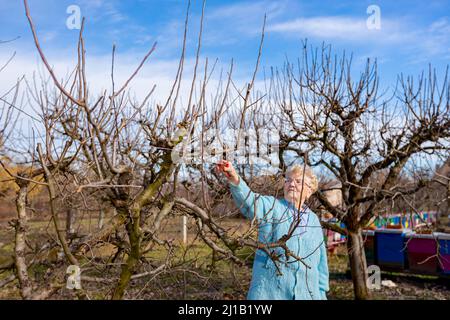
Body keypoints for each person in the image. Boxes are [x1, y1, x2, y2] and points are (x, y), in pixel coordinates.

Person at [216, 160, 329, 300]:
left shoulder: (314, 221)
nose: (291, 184)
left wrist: (321, 294)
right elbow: (251, 202)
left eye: (298, 182)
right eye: (288, 181)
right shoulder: (273, 207)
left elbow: (321, 266)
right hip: (269, 294)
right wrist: (234, 177)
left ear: (309, 190)